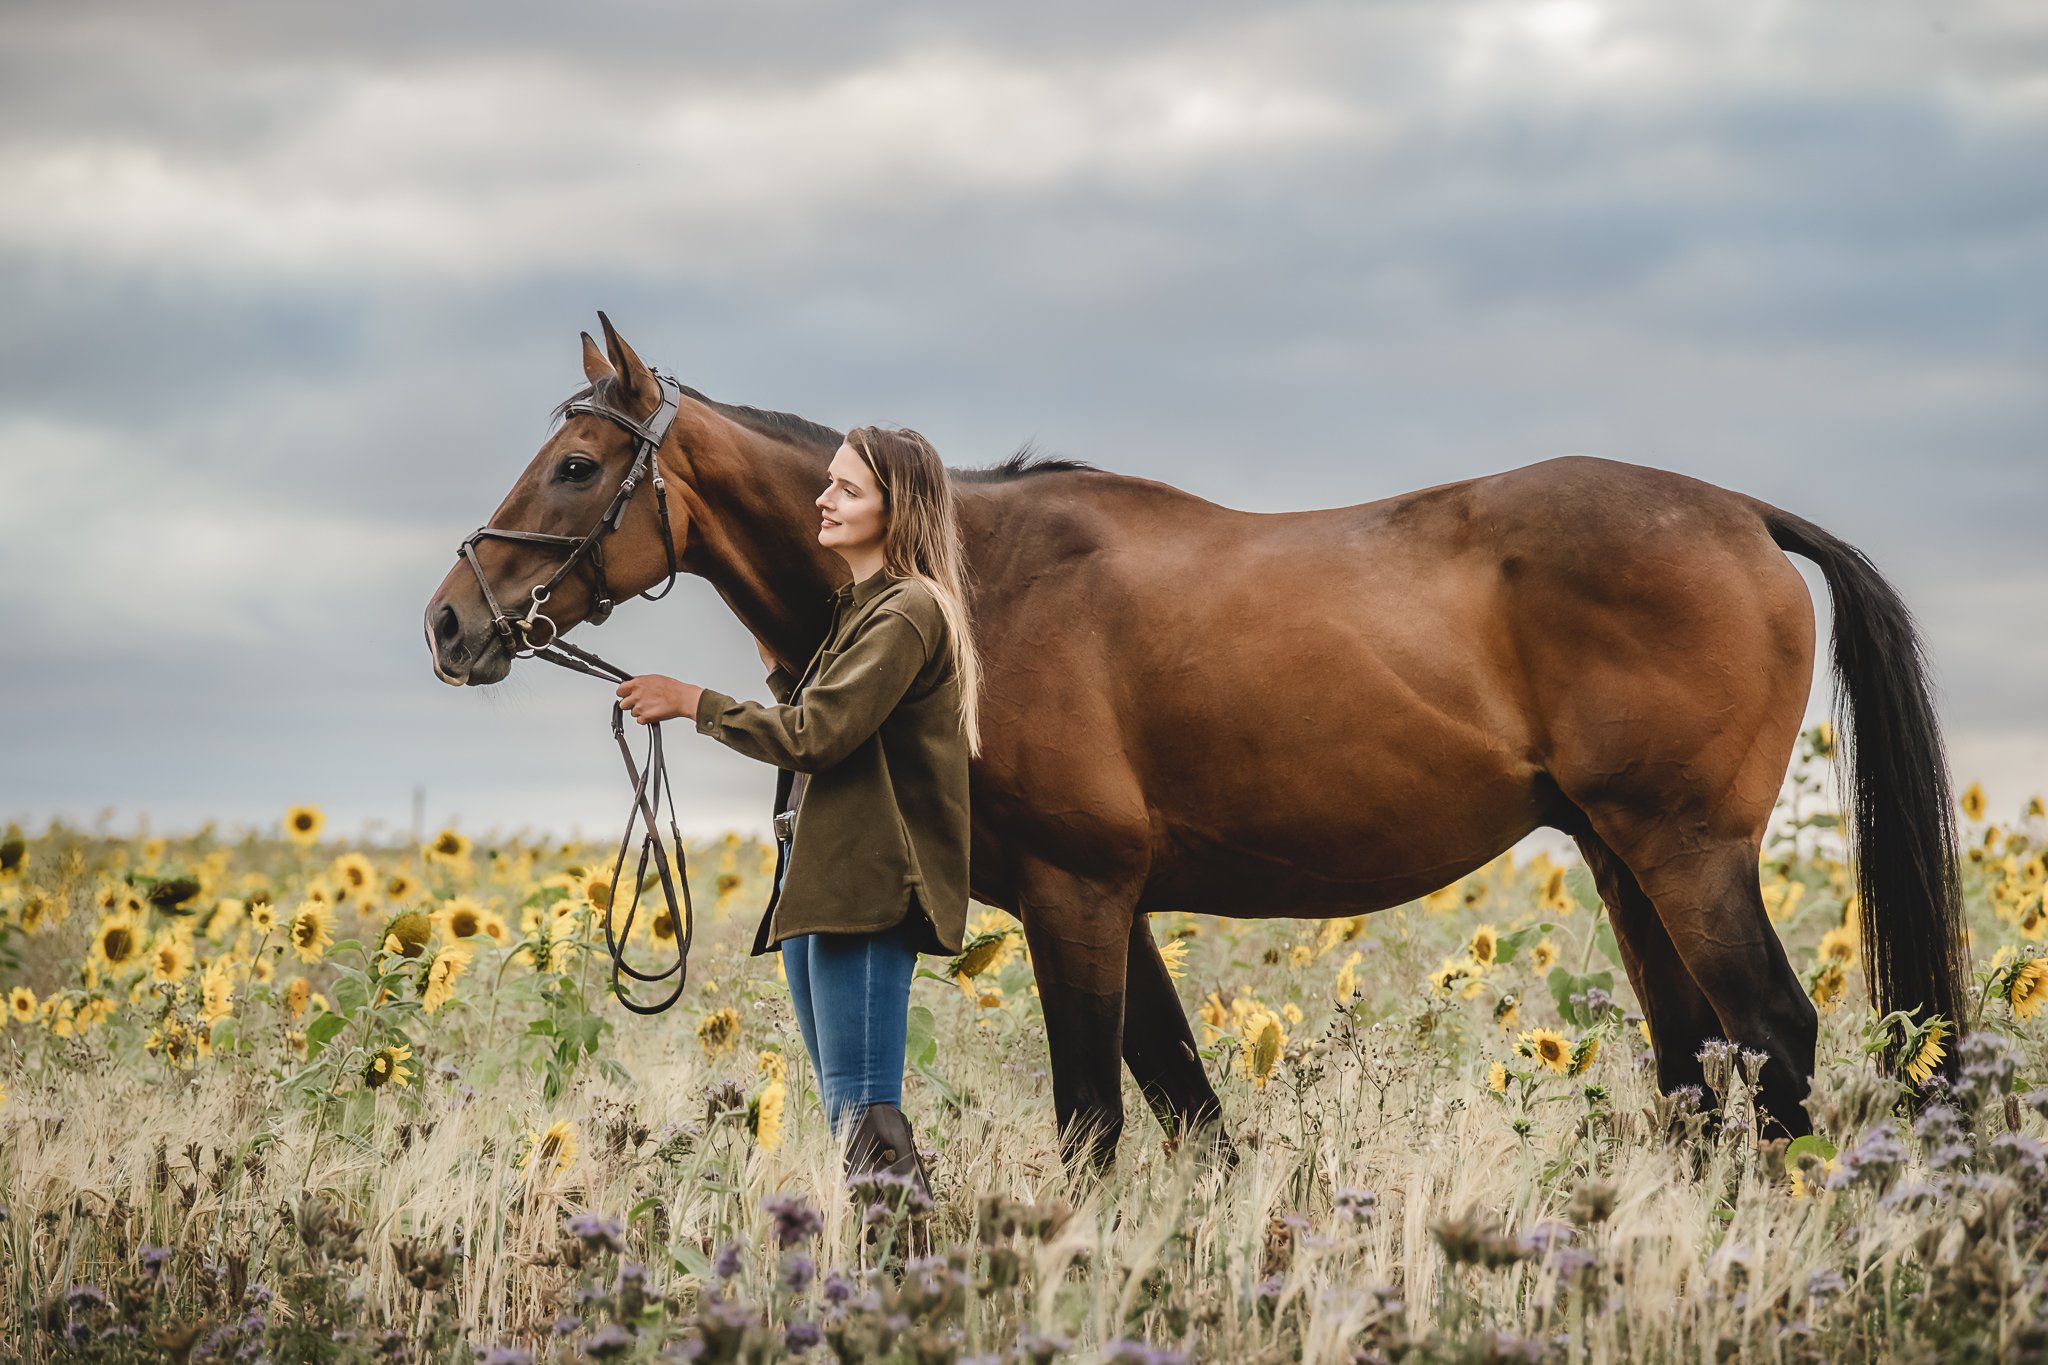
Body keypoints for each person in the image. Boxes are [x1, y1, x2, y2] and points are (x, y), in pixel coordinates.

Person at [611, 426, 981, 1211]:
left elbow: (818, 737)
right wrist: (780, 670)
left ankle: (910, 1284)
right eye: (829, 482)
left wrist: (691, 701)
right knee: (846, 1113)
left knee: (868, 1110)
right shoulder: (862, 608)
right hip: (818, 883)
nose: (824, 497)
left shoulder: (909, 610)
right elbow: (832, 721)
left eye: (848, 488)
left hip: (867, 887)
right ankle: (888, 1279)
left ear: (897, 508)